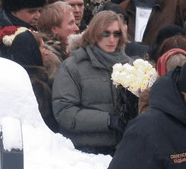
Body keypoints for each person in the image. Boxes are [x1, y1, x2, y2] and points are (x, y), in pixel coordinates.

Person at [52, 11, 132, 155]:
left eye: (116, 34)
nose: (111, 39)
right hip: (84, 150)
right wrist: (107, 120)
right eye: (105, 34)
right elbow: (64, 112)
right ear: (94, 34)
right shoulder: (72, 66)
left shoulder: (131, 65)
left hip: (123, 147)